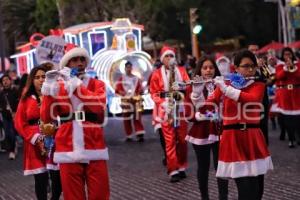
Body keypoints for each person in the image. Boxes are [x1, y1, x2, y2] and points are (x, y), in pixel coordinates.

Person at [195, 50, 273, 200]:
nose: (250, 70)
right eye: (245, 66)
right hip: (233, 138)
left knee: (256, 189)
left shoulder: (258, 84)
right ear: (236, 68)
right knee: (244, 188)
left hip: (252, 137)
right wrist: (197, 94)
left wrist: (226, 89)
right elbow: (206, 109)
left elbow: (252, 99)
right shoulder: (225, 84)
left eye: (253, 66)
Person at [40, 43, 109, 200]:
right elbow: (45, 117)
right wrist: (48, 91)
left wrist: (76, 85)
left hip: (94, 143)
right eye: (74, 60)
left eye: (82, 59)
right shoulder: (58, 87)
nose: (79, 63)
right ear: (66, 64)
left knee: (100, 194)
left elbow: (97, 106)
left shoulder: (97, 84)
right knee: (72, 196)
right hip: (67, 145)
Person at [14, 65, 62, 200]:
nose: (41, 80)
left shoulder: (55, 95)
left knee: (58, 181)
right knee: (41, 182)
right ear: (32, 80)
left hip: (55, 142)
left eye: (44, 76)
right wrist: (35, 137)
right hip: (35, 144)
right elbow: (19, 122)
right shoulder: (26, 99)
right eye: (37, 77)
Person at [186, 56, 228, 200]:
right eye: (205, 68)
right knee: (203, 167)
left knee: (221, 166)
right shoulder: (193, 86)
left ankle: (223, 197)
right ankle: (205, 197)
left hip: (219, 128)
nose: (208, 70)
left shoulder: (221, 84)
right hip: (201, 130)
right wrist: (196, 94)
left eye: (211, 67)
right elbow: (187, 112)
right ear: (200, 70)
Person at [149, 45, 190, 182]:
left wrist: (182, 86)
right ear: (162, 59)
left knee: (183, 140)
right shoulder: (156, 74)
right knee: (170, 141)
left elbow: (188, 86)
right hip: (165, 110)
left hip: (180, 108)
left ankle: (182, 166)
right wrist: (163, 103)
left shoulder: (182, 71)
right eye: (166, 56)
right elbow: (153, 93)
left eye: (171, 56)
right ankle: (173, 170)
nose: (169, 58)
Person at [275, 47, 300, 148]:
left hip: (297, 92)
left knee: (298, 118)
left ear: (292, 55)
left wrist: (294, 68)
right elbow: (278, 77)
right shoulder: (280, 66)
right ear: (282, 56)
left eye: (289, 54)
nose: (287, 56)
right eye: (285, 54)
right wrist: (286, 69)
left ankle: (298, 137)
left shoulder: (298, 64)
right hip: (285, 93)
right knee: (288, 117)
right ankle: (291, 139)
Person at [115, 61, 145, 142]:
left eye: (130, 67)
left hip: (136, 100)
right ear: (125, 68)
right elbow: (117, 89)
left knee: (137, 117)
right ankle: (129, 135)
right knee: (126, 118)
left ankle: (139, 133)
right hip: (126, 100)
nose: (129, 69)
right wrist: (123, 93)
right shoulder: (122, 78)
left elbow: (140, 88)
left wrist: (139, 92)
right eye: (127, 67)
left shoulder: (136, 78)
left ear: (132, 68)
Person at [0, 74, 19, 159]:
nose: (5, 82)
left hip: (14, 115)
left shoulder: (15, 91)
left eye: (7, 80)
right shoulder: (1, 93)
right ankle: (12, 147)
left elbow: (19, 104)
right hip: (5, 116)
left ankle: (12, 151)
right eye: (3, 81)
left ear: (10, 81)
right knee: (7, 134)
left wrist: (15, 112)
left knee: (12, 133)